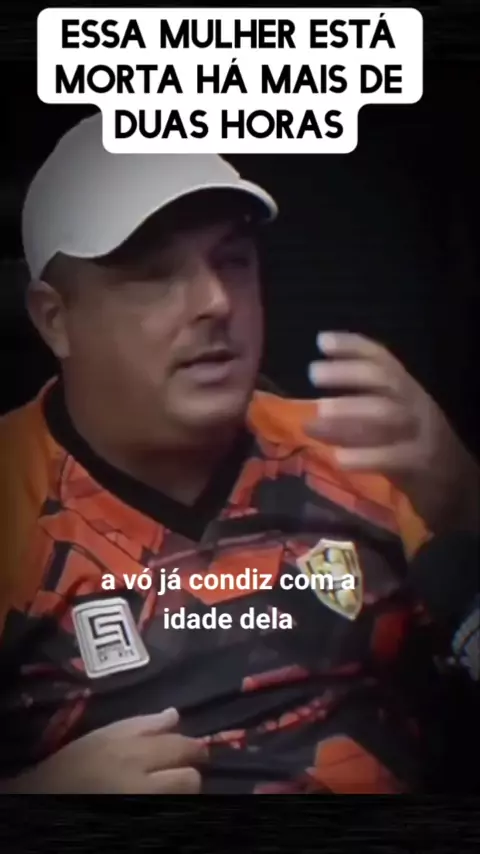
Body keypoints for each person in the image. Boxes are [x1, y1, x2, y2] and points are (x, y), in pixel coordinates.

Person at [0, 113, 478, 794]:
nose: (216, 301)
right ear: (55, 319)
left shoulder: (366, 448)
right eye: (155, 273)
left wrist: (467, 503)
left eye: (233, 261)